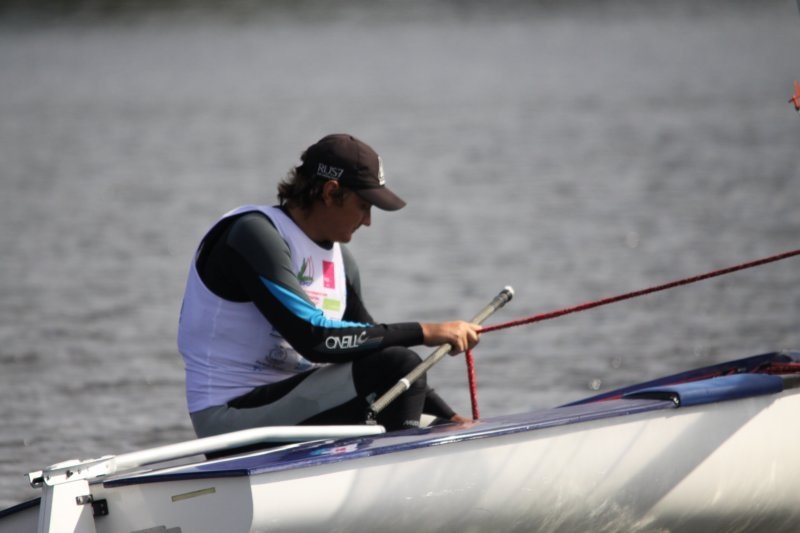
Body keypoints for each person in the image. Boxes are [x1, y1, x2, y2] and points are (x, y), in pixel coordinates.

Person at [178, 133, 481, 438]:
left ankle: (415, 448)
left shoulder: (342, 261)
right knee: (397, 363)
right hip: (230, 415)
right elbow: (315, 339)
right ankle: (401, 461)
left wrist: (451, 418)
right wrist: (425, 332)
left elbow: (367, 347)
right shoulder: (254, 234)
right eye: (364, 205)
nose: (368, 221)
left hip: (298, 404)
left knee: (421, 401)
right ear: (330, 192)